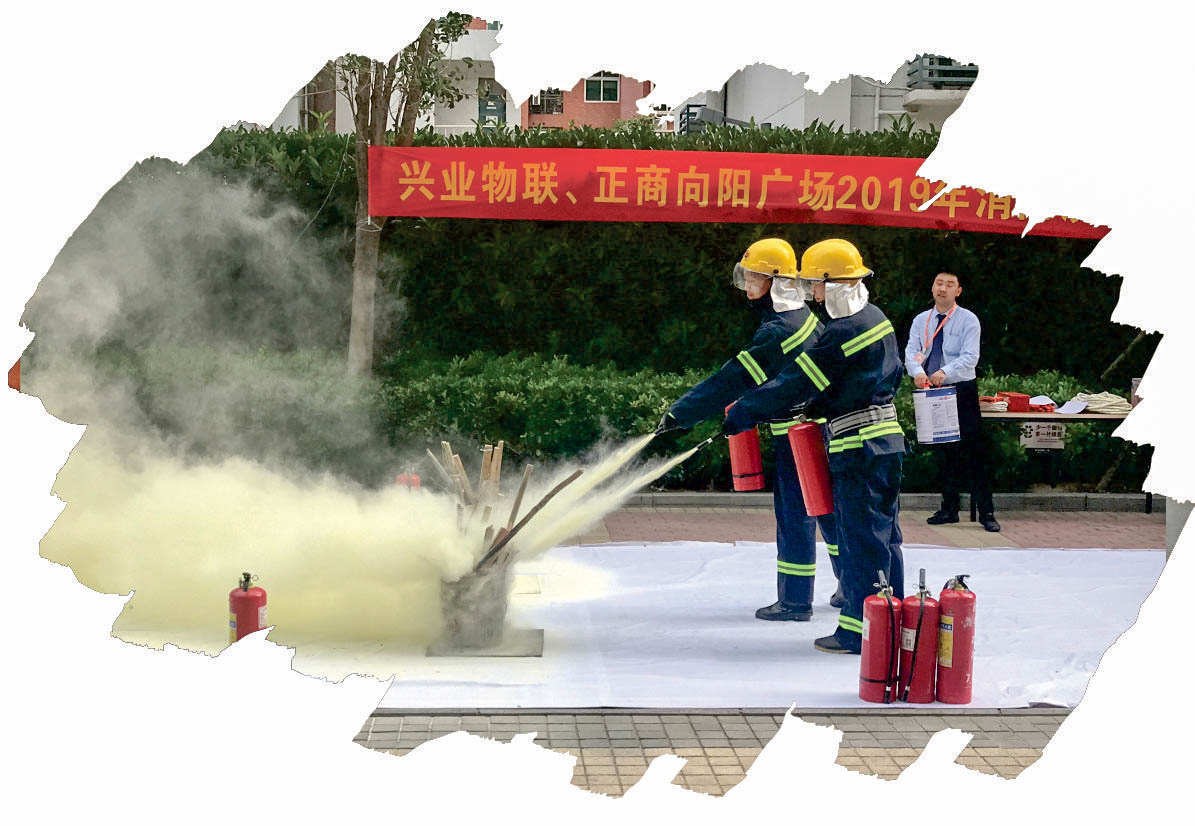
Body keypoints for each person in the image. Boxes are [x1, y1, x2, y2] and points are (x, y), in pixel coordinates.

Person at [723, 238, 905, 655]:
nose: (814, 295)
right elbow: (869, 378)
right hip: (887, 443)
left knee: (859, 541)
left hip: (858, 450)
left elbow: (795, 383)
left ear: (835, 283)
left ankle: (857, 632)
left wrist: (743, 412)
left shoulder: (842, 332)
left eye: (817, 286)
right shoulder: (876, 319)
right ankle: (890, 622)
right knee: (886, 539)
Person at [657, 238, 841, 621]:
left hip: (795, 435)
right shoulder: (806, 318)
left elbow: (732, 380)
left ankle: (794, 602)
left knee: (794, 516)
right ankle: (851, 587)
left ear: (776, 281)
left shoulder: (777, 332)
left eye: (754, 277)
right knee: (827, 511)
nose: (747, 286)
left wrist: (680, 414)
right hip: (821, 429)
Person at [904, 271, 1000, 533]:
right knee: (944, 452)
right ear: (932, 287)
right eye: (939, 283)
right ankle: (949, 509)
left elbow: (971, 356)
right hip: (933, 390)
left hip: (961, 389)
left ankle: (987, 512)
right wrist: (917, 372)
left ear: (958, 291)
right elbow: (912, 352)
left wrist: (945, 371)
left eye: (949, 285)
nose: (943, 289)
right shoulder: (921, 320)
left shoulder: (968, 319)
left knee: (974, 451)